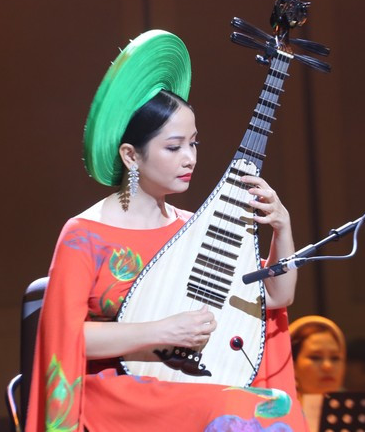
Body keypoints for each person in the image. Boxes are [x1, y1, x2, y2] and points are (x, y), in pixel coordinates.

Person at [25, 30, 307, 431]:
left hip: (190, 386)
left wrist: (282, 227)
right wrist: (160, 331)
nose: (189, 158)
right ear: (131, 155)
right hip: (115, 394)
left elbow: (276, 297)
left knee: (275, 407)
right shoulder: (84, 235)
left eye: (194, 144)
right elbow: (65, 338)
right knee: (247, 411)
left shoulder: (190, 228)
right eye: (174, 147)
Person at [289, 316, 346, 400]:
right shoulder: (274, 407)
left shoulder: (358, 407)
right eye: (315, 358)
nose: (328, 366)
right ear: (292, 365)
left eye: (335, 358)